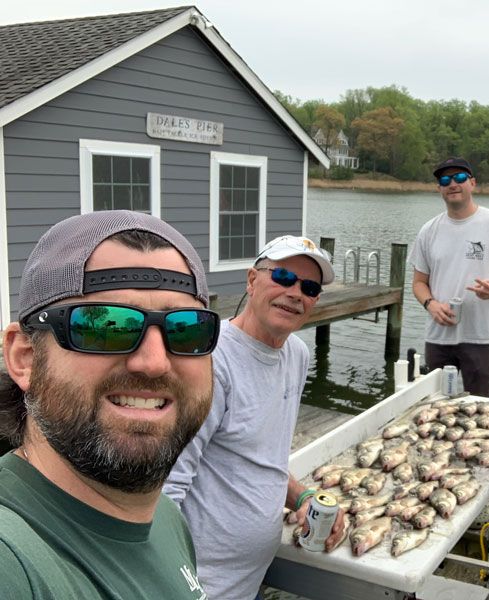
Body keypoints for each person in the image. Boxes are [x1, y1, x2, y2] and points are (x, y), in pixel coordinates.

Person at [0, 210, 219, 598]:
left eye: (186, 329)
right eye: (103, 325)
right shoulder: (13, 560)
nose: (153, 362)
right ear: (25, 358)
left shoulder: (167, 518)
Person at [164, 235, 344, 600]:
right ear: (252, 280)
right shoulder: (211, 362)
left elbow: (263, 458)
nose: (295, 293)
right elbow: (166, 490)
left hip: (250, 581)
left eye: (309, 287)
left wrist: (304, 496)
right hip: (200, 587)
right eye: (282, 277)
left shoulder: (296, 354)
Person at [410, 157, 489, 397]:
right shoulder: (428, 231)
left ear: (472, 183)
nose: (453, 184)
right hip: (438, 338)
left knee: (480, 410)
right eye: (445, 180)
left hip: (482, 337)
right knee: (436, 408)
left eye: (460, 178)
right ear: (439, 188)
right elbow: (419, 283)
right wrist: (431, 305)